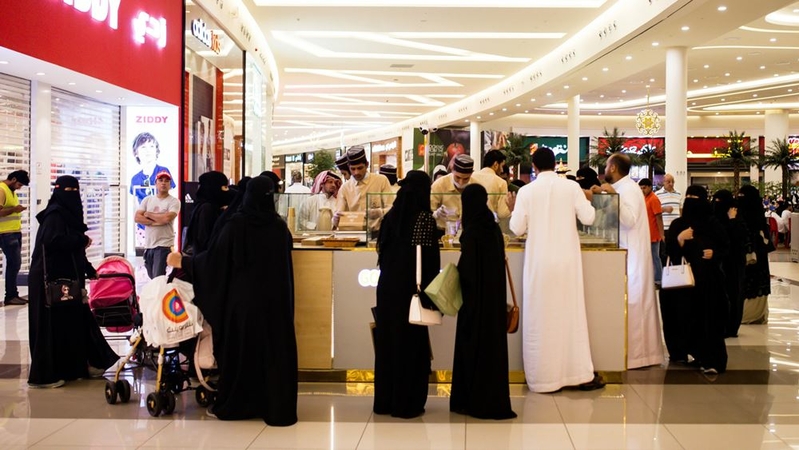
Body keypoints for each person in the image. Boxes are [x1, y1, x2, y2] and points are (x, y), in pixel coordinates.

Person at [167, 176, 298, 426]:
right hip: (275, 306)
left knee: (242, 354)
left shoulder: (236, 226)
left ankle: (239, 404)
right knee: (272, 354)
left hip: (243, 306)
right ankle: (273, 405)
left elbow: (213, 263)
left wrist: (183, 262)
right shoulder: (279, 227)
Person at [509, 147, 602, 393]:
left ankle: (542, 378)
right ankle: (576, 373)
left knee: (540, 317)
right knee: (569, 315)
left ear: (534, 166)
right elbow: (589, 218)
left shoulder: (526, 191)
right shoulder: (571, 188)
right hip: (567, 260)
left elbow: (517, 228)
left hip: (539, 262)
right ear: (556, 164)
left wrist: (511, 207)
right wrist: (590, 200)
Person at [27, 175, 118, 388]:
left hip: (67, 280)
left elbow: (72, 249)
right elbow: (53, 241)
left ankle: (79, 367)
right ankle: (45, 376)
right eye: (68, 191)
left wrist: (87, 268)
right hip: (48, 281)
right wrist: (82, 240)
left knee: (72, 321)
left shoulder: (67, 215)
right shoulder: (55, 215)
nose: (72, 196)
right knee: (50, 326)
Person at [373, 170, 439, 419]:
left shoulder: (391, 217)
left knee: (388, 344)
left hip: (388, 289)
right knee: (410, 346)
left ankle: (385, 401)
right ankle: (406, 402)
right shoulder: (424, 219)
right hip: (411, 293)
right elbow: (430, 261)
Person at [592, 153, 664, 369]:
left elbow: (629, 220)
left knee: (634, 304)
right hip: (624, 252)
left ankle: (638, 355)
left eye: (606, 166)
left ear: (613, 167)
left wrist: (612, 196)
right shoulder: (622, 188)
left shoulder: (628, 189)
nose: (605, 169)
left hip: (632, 255)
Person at [450, 183, 517, 418]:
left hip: (474, 305)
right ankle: (492, 399)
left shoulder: (472, 231)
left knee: (472, 347)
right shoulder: (492, 228)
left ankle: (469, 400)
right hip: (493, 303)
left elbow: (468, 270)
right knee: (492, 351)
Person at [662, 185, 729, 374]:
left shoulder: (713, 224)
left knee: (708, 318)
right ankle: (687, 352)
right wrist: (680, 240)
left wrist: (714, 254)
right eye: (688, 196)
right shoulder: (678, 225)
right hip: (684, 283)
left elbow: (725, 247)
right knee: (685, 318)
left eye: (695, 197)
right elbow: (670, 253)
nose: (691, 200)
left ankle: (710, 359)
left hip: (708, 282)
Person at [712, 189, 752, 338]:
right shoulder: (713, 217)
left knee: (734, 293)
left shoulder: (737, 216)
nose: (717, 204)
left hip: (734, 261)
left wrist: (732, 220)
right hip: (718, 261)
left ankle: (731, 327)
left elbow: (738, 237)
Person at [333, 146, 393, 230]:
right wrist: (335, 219)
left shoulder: (381, 180)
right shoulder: (345, 187)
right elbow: (339, 212)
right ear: (348, 167)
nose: (356, 172)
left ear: (367, 165)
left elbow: (392, 208)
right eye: (352, 169)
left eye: (360, 168)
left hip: (377, 233)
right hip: (353, 234)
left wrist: (380, 212)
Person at [738, 184, 773, 324]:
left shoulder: (746, 218)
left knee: (750, 282)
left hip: (753, 256)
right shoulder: (757, 218)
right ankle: (754, 314)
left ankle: (748, 315)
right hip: (757, 256)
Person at [134, 171, 180, 279]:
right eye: (161, 180)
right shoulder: (147, 200)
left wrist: (148, 214)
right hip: (149, 245)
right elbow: (137, 217)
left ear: (170, 184)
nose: (163, 183)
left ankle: (160, 296)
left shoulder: (174, 201)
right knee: (152, 276)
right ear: (156, 183)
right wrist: (156, 220)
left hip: (163, 245)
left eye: (166, 181)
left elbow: (167, 218)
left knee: (158, 278)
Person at [183, 171, 232, 256]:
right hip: (206, 260)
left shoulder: (202, 206)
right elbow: (205, 239)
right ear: (213, 188)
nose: (227, 190)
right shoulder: (207, 209)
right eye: (225, 187)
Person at [0, 170, 29, 306]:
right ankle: (10, 296)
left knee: (15, 264)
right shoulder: (2, 190)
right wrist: (14, 210)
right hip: (5, 233)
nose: (19, 187)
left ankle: (12, 294)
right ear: (13, 179)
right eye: (19, 184)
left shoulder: (10, 191)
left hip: (14, 232)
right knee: (14, 264)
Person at [430, 154, 475, 229]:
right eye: (457, 177)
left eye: (466, 179)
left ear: (471, 174)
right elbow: (429, 211)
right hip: (443, 233)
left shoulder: (475, 186)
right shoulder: (439, 185)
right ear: (452, 170)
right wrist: (436, 214)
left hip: (467, 233)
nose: (461, 182)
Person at [471, 149, 511, 222]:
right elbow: (502, 214)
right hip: (489, 224)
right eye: (501, 166)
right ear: (495, 164)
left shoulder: (471, 177)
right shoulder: (501, 182)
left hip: (468, 223)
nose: (502, 170)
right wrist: (512, 207)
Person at [639, 178, 664, 287]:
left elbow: (659, 217)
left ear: (650, 187)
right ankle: (652, 278)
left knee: (655, 257)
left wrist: (662, 234)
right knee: (649, 258)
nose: (642, 190)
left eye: (644, 188)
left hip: (653, 234)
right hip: (646, 234)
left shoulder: (653, 199)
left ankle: (658, 280)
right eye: (641, 188)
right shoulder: (645, 198)